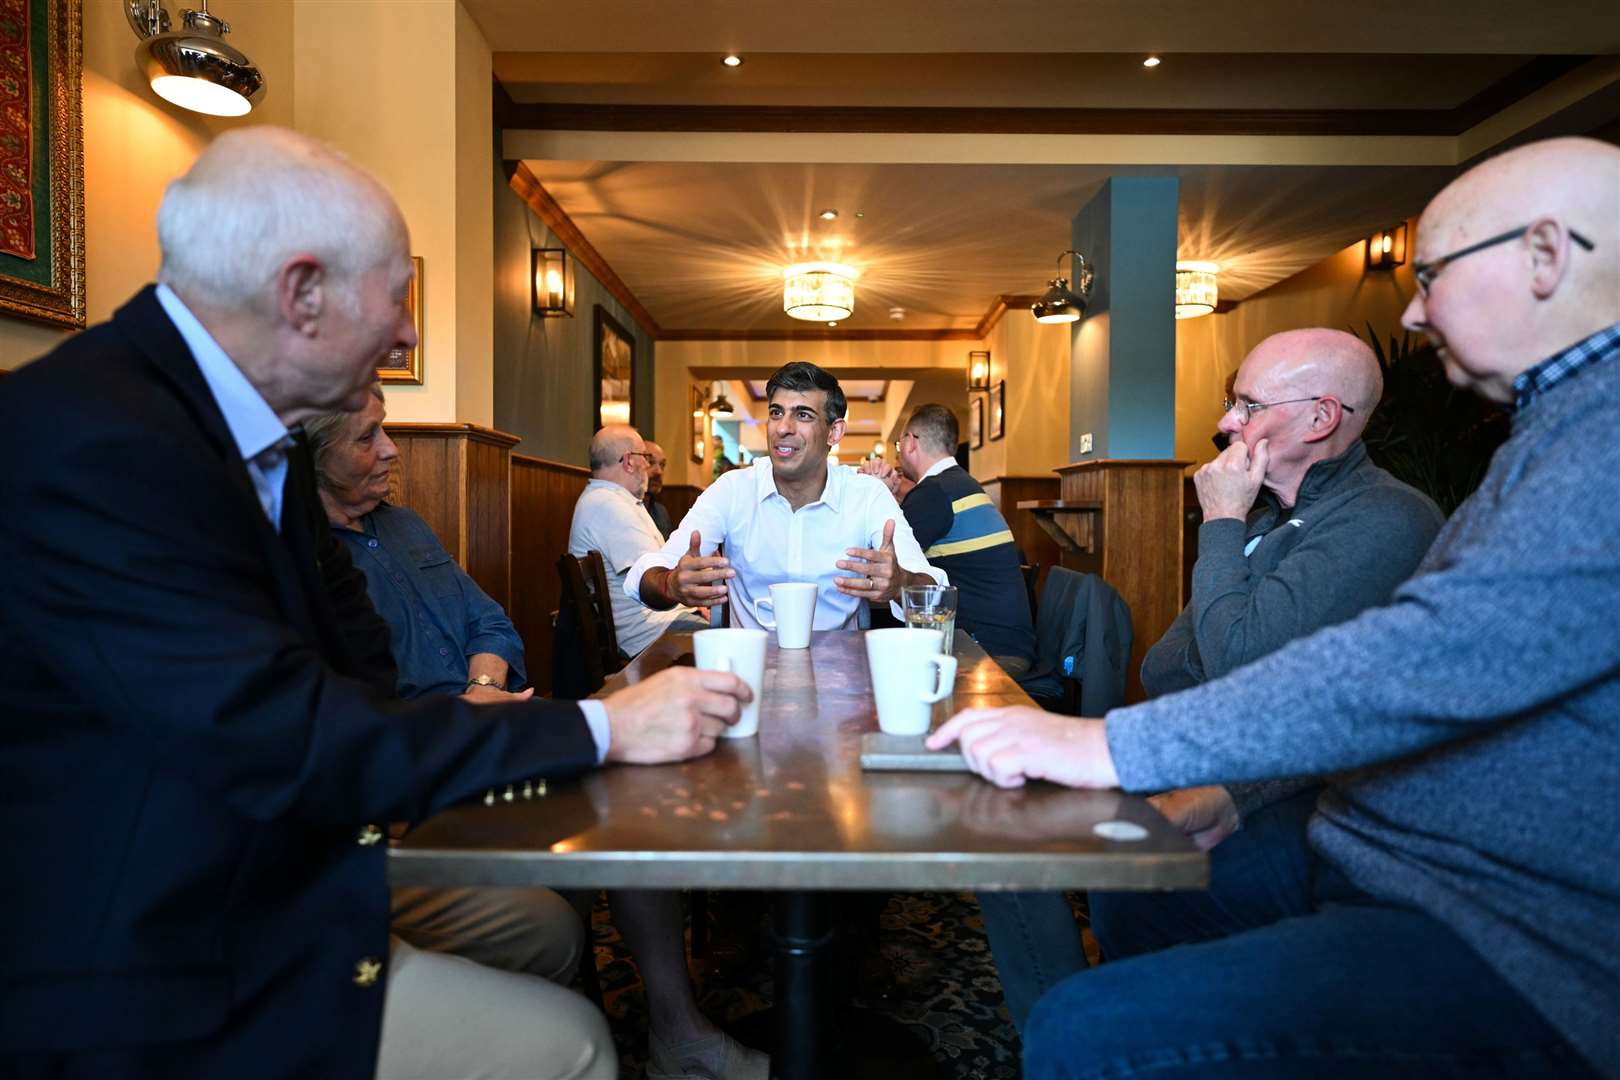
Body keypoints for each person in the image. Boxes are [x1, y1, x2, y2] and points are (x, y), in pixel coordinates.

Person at [0, 126, 752, 1080]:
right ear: (302, 292)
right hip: (168, 972)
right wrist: (601, 729)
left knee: (549, 947)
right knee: (570, 1049)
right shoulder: (97, 442)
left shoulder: (242, 434)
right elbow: (286, 733)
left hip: (281, 880)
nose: (406, 333)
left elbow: (361, 675)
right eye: (397, 295)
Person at [928, 136, 1619, 1077]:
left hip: (1510, 926)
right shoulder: (1563, 429)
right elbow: (1198, 656)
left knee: (1088, 1027)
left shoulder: (1595, 445)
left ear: (1545, 254)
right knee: (1134, 898)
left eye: (1435, 274)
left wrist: (1110, 746)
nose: (1412, 311)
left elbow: (1422, 662)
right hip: (1380, 848)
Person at [979, 330, 1447, 1031]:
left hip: (1311, 798)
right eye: (1234, 403)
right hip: (1211, 752)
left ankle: (1102, 1026)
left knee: (1122, 880)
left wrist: (1222, 523)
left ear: (1321, 418)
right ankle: (1083, 1015)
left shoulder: (1385, 520)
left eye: (1247, 405)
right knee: (1007, 811)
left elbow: (1233, 663)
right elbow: (1170, 661)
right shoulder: (1271, 515)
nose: (1228, 423)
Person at [309, 400, 758, 1079]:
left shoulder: (403, 527)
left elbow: (491, 622)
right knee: (625, 780)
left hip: (487, 722)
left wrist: (485, 680)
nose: (394, 449)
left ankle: (675, 1027)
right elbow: (352, 723)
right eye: (368, 436)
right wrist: (477, 712)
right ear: (308, 456)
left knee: (643, 798)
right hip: (420, 770)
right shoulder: (298, 561)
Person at [630, 362, 945, 630]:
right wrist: (671, 583)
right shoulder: (733, 489)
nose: (783, 427)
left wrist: (900, 581)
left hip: (842, 673)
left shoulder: (867, 495)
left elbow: (935, 591)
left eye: (804, 415)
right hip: (748, 674)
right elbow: (644, 577)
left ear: (834, 432)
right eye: (776, 413)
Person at [868, 403, 1035, 673]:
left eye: (898, 447)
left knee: (875, 660)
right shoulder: (962, 485)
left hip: (987, 652)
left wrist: (877, 493)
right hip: (1008, 643)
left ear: (910, 443)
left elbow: (882, 560)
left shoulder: (933, 494)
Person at [571, 425, 706, 658]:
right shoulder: (607, 505)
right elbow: (656, 576)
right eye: (645, 457)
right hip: (647, 633)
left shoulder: (615, 500)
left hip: (657, 621)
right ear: (629, 461)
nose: (647, 466)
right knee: (734, 637)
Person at [643, 439, 676, 539]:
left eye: (662, 465)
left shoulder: (661, 512)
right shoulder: (623, 509)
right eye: (650, 462)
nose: (659, 472)